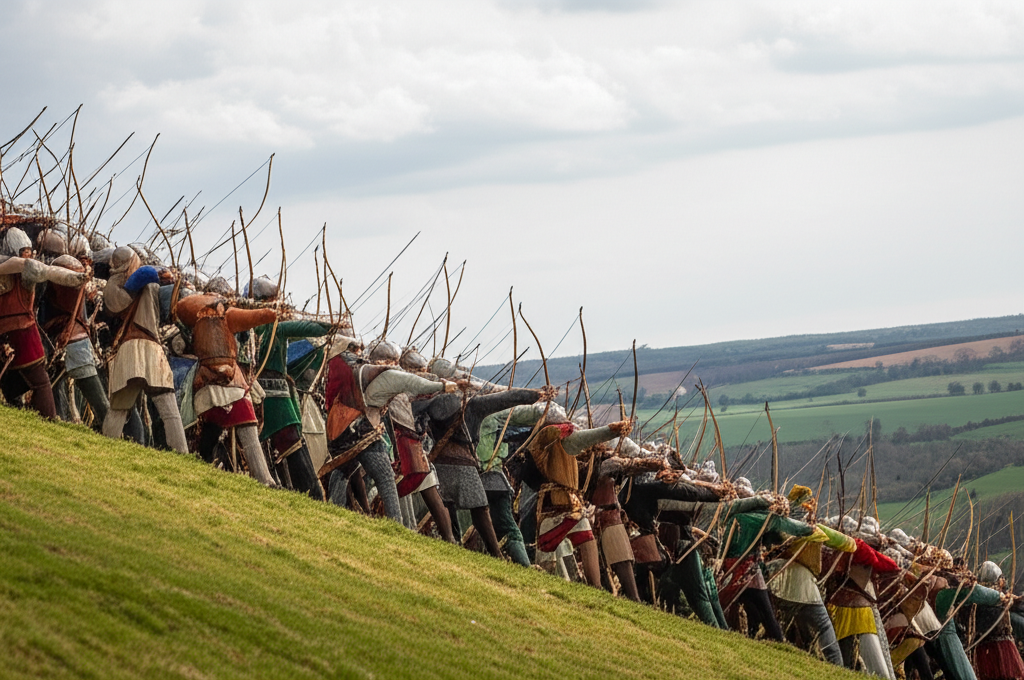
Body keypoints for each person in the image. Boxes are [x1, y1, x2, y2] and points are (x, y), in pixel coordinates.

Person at [176, 293, 278, 487]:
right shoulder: (226, 317)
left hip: (206, 388)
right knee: (247, 430)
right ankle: (265, 480)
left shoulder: (197, 320)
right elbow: (261, 316)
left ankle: (199, 465)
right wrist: (272, 312)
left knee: (210, 432)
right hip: (232, 386)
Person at [101, 246, 188, 453]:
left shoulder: (138, 284)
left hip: (132, 349)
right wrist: (155, 275)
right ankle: (182, 453)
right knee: (163, 405)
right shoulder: (119, 285)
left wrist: (168, 281)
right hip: (144, 348)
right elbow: (121, 300)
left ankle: (104, 447)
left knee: (123, 408)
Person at [0, 228, 88, 418]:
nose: (29, 255)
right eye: (25, 251)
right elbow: (48, 271)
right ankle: (48, 418)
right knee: (40, 382)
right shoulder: (24, 269)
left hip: (5, 334)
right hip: (24, 334)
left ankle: (17, 412)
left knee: (12, 381)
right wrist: (75, 279)